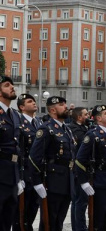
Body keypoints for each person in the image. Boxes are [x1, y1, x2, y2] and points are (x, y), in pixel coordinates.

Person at [29, 96, 75, 231]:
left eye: (65, 104)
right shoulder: (46, 129)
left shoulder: (66, 129)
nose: (66, 107)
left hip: (67, 181)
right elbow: (34, 157)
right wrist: (37, 182)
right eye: (62, 105)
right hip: (52, 182)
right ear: (53, 110)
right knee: (49, 221)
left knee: (59, 220)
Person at [75, 105, 106, 230]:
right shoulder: (92, 135)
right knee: (98, 219)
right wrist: (84, 182)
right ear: (99, 118)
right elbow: (79, 160)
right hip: (100, 180)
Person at [14, 94, 40, 231]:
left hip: (36, 174)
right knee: (20, 216)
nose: (34, 103)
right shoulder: (19, 124)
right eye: (30, 101)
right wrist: (18, 177)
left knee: (33, 210)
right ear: (22, 107)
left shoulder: (38, 123)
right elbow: (17, 152)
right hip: (24, 172)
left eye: (34, 100)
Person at [0, 75, 22, 231]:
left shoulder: (14, 114)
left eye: (12, 85)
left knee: (8, 218)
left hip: (12, 174)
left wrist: (19, 176)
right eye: (7, 85)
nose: (12, 87)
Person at [69, 106, 90, 231]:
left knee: (81, 201)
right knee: (79, 201)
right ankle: (79, 228)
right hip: (78, 168)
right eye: (85, 114)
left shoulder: (83, 128)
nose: (88, 116)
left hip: (84, 168)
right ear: (79, 117)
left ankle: (79, 226)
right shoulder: (75, 129)